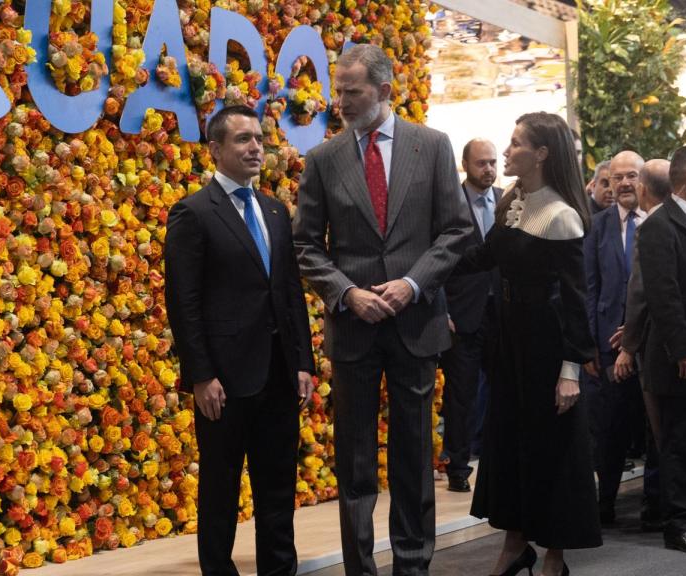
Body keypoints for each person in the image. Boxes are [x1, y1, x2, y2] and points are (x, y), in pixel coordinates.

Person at [293, 43, 473, 575]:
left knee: (415, 456)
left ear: (385, 90)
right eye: (339, 90)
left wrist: (412, 285)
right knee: (354, 460)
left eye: (353, 91)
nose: (341, 101)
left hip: (415, 322)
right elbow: (306, 245)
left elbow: (457, 230)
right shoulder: (323, 159)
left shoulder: (432, 146)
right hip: (353, 327)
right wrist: (347, 292)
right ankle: (359, 568)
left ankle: (412, 565)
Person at [164, 105, 316, 575]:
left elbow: (290, 292)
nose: (255, 148)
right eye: (243, 139)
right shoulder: (192, 212)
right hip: (224, 382)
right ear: (215, 149)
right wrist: (202, 374)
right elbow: (183, 302)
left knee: (278, 489)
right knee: (220, 489)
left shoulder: (274, 210)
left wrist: (303, 361)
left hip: (278, 375)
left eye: (258, 138)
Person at [460, 112, 601, 576]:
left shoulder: (563, 216)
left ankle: (554, 559)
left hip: (547, 350)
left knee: (553, 453)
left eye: (517, 143)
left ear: (541, 154)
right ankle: (515, 546)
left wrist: (570, 371)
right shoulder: (512, 201)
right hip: (511, 347)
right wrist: (421, 266)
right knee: (512, 447)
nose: (507, 151)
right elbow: (483, 258)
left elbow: (575, 304)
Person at [637, 144, 686, 553]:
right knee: (680, 443)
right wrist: (683, 349)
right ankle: (679, 524)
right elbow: (663, 296)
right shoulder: (659, 226)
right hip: (681, 360)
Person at [583, 150, 646, 525]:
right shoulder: (597, 226)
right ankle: (604, 504)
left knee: (655, 430)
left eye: (630, 176)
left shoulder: (656, 222)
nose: (622, 183)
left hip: (652, 345)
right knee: (609, 430)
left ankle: (657, 506)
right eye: (615, 178)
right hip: (608, 346)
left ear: (643, 180)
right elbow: (589, 288)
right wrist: (589, 343)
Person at [612, 158, 672, 532]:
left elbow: (642, 292)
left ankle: (676, 513)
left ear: (644, 188)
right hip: (673, 343)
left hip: (659, 348)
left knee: (665, 433)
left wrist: (629, 344)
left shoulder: (652, 226)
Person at [441, 138, 503, 493]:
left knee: (503, 390)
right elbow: (439, 261)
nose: (489, 169)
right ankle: (459, 467)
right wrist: (442, 311)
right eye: (481, 163)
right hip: (462, 315)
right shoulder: (450, 204)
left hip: (502, 313)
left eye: (493, 162)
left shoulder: (508, 201)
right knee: (461, 395)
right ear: (465, 164)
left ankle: (498, 461)